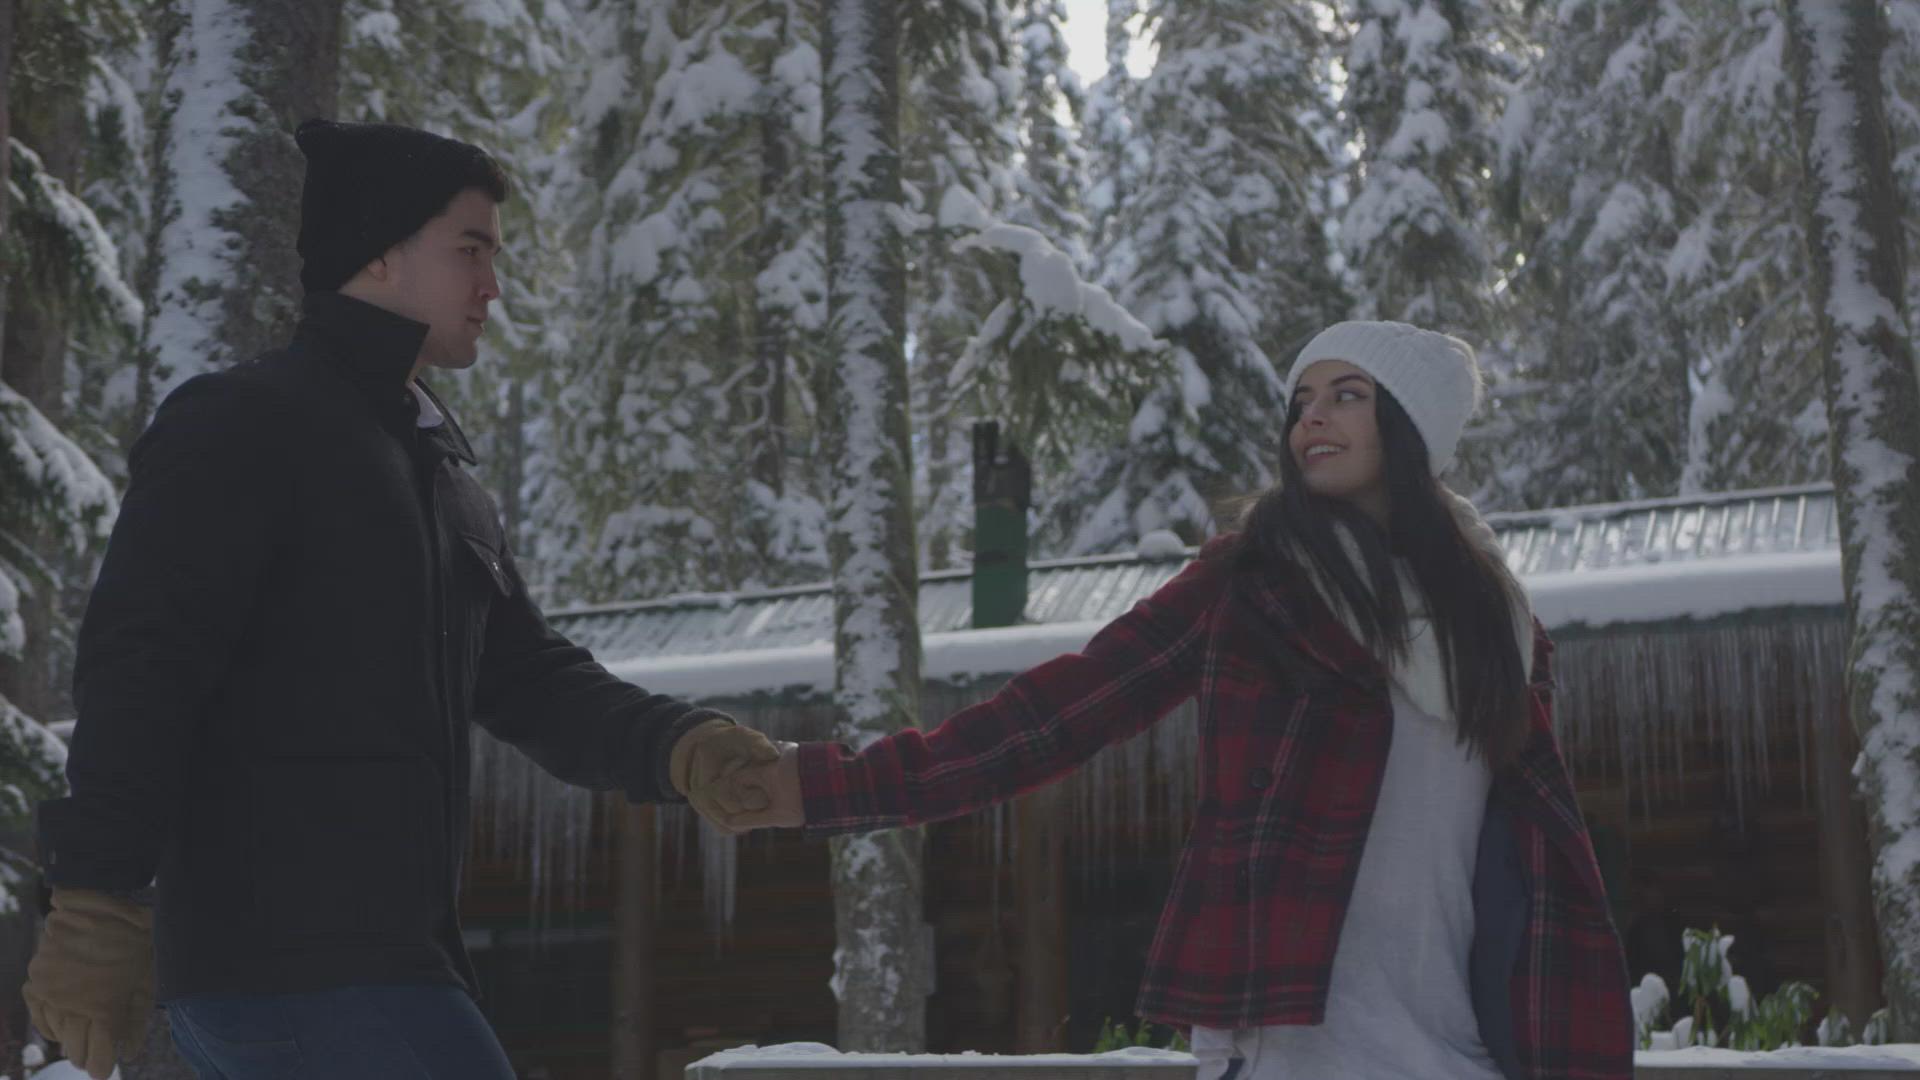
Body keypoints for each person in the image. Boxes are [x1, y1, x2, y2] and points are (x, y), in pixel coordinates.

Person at [21, 119, 779, 1080]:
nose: (492, 284)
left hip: (384, 962)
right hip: (287, 963)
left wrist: (678, 746)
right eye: (470, 250)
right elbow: (143, 662)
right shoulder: (246, 423)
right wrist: (94, 898)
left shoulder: (436, 469)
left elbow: (527, 678)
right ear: (378, 250)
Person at [729, 322, 1634, 1079]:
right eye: (1300, 400)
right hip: (1293, 1045)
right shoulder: (1254, 583)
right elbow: (1054, 717)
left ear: (1411, 426)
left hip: (1458, 1046)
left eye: (1345, 394)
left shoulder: (1498, 627)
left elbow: (1546, 857)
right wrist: (824, 787)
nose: (1309, 416)